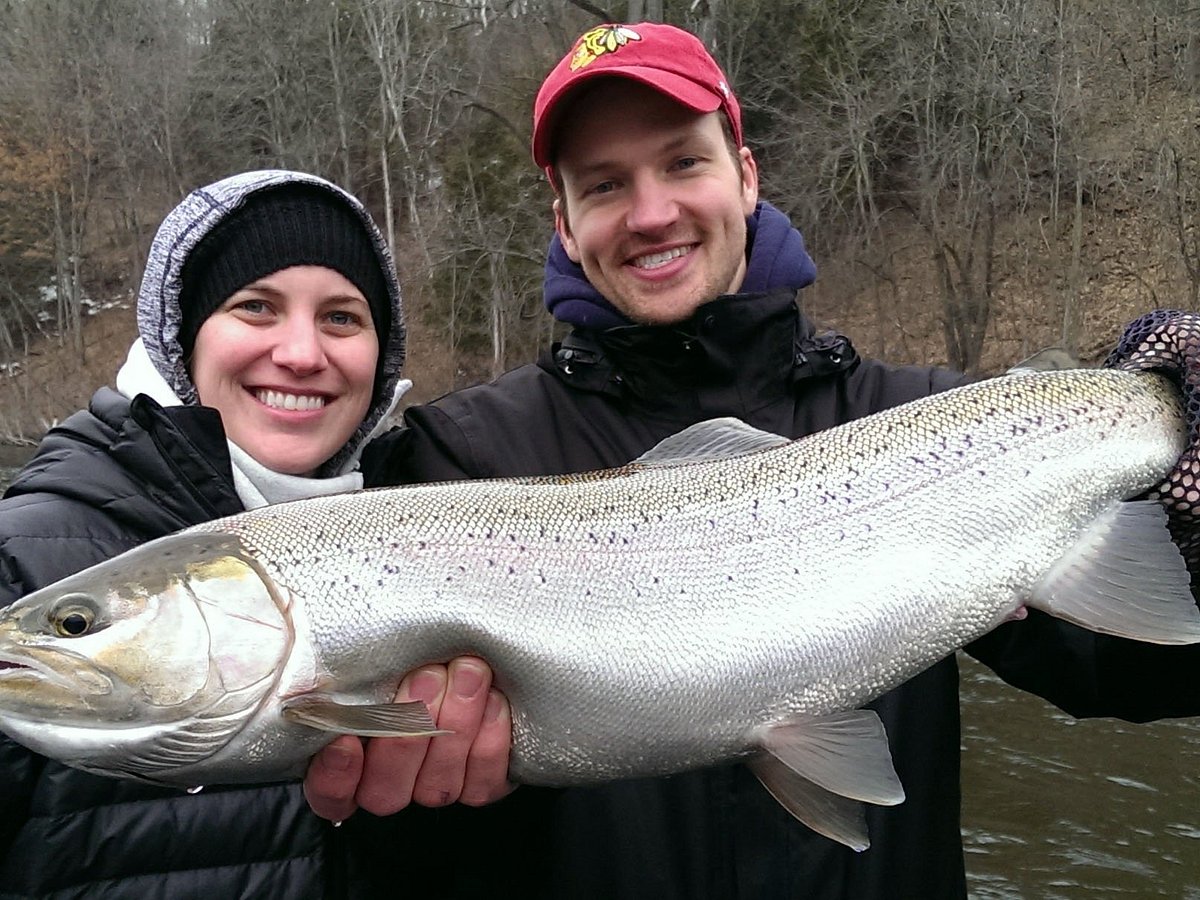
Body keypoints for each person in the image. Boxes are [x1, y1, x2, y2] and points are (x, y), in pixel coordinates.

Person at [303, 23, 1200, 900]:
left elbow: (1135, 672)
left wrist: (1193, 512)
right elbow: (367, 839)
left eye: (683, 163)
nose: (652, 213)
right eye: (605, 184)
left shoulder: (924, 422)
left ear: (746, 175)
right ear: (566, 225)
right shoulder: (455, 462)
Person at [0, 169, 512, 899]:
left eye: (341, 317)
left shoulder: (424, 524)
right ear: (182, 337)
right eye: (256, 307)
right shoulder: (21, 560)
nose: (303, 353)